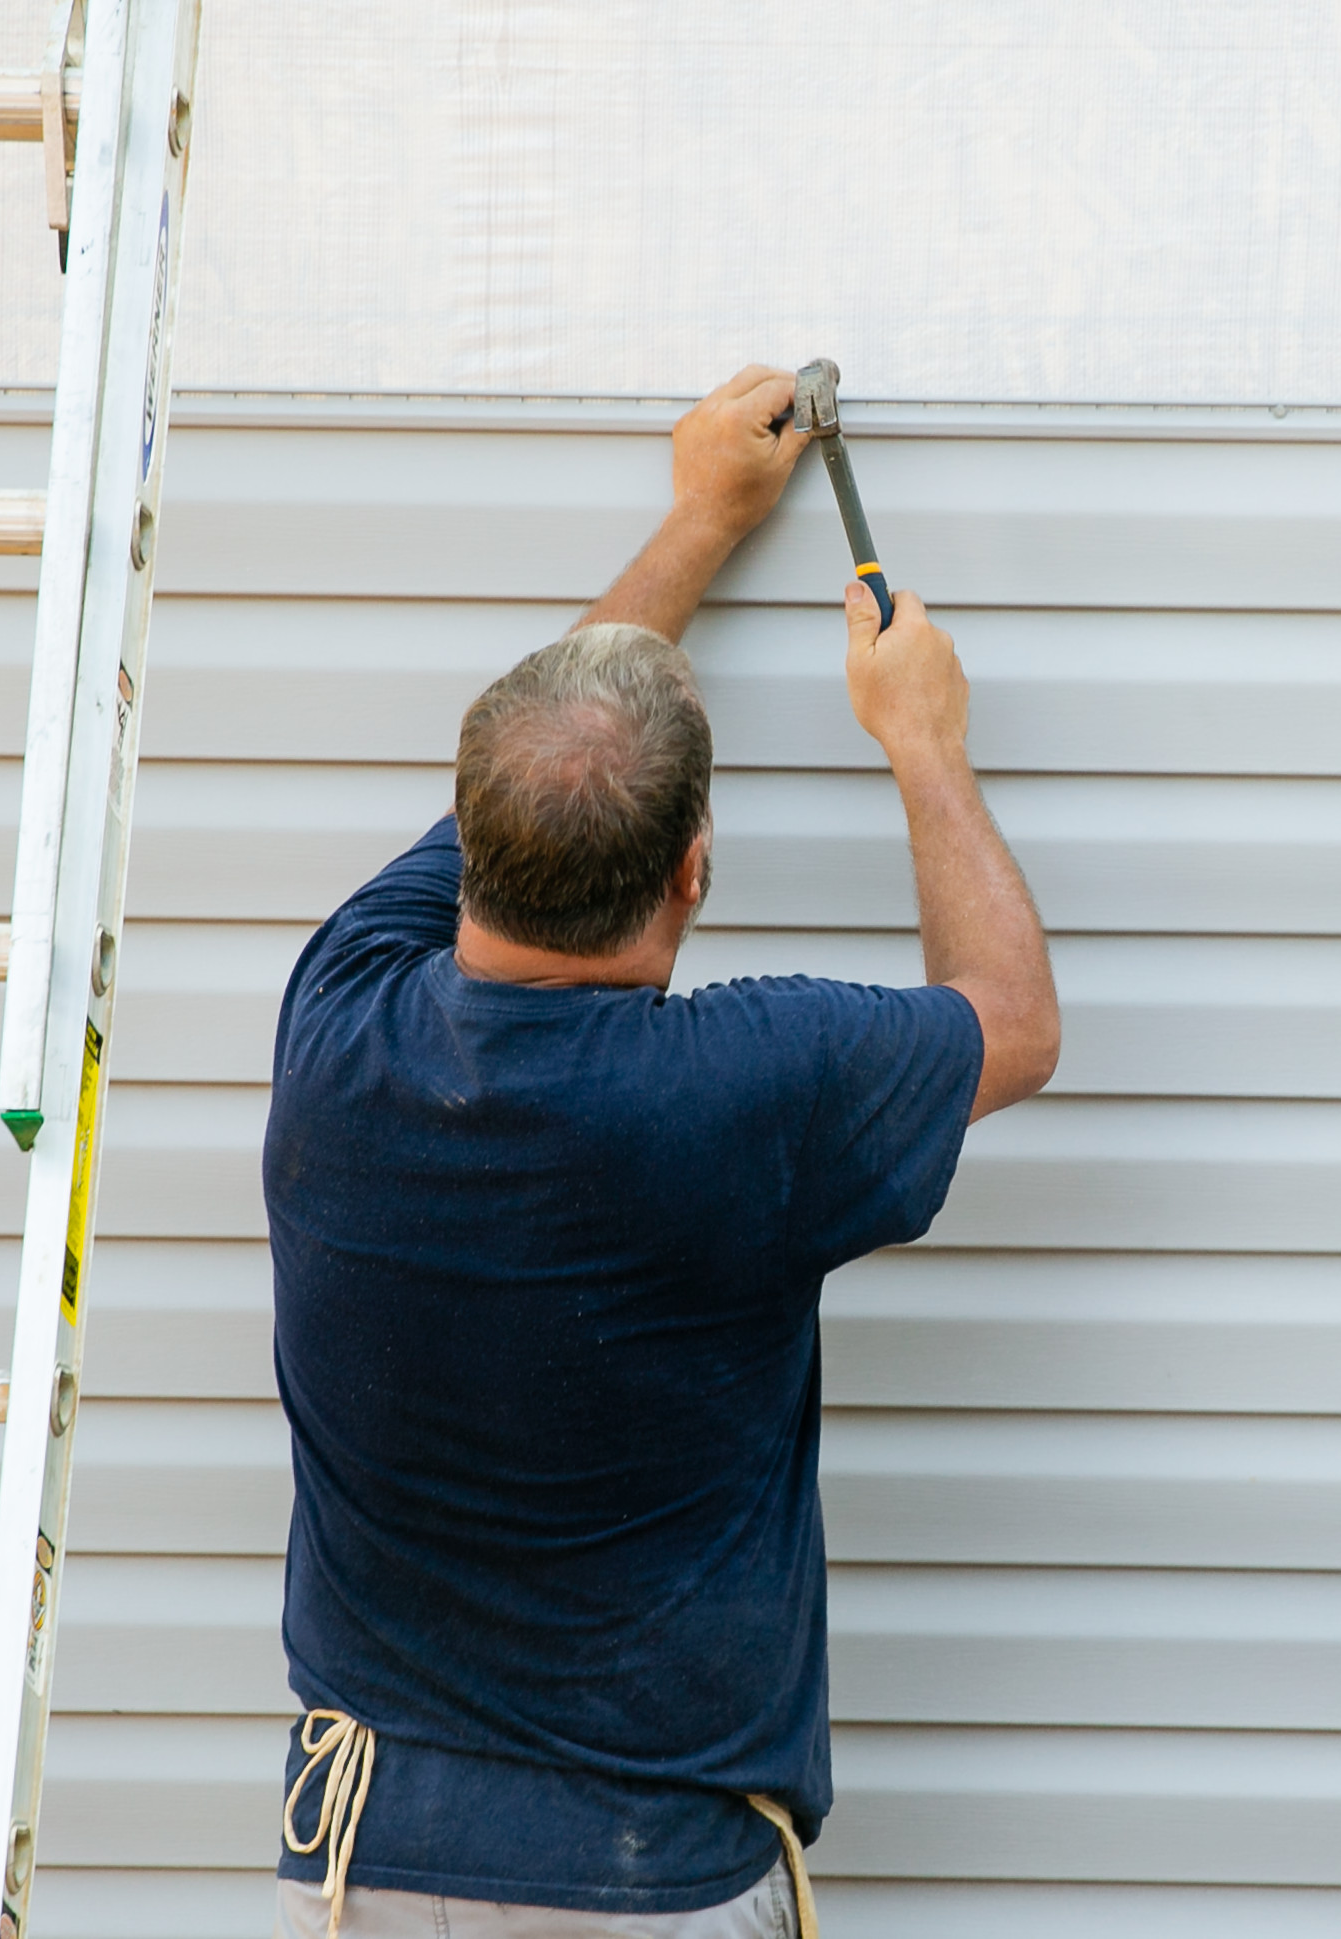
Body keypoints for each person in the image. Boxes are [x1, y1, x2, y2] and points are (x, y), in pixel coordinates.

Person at [263, 366, 1060, 1937]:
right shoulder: (738, 1091)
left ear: (469, 842)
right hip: (643, 1886)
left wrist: (696, 518)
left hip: (359, 1865)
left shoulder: (338, 1021)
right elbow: (1010, 1023)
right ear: (695, 869)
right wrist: (922, 742)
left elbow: (545, 749)